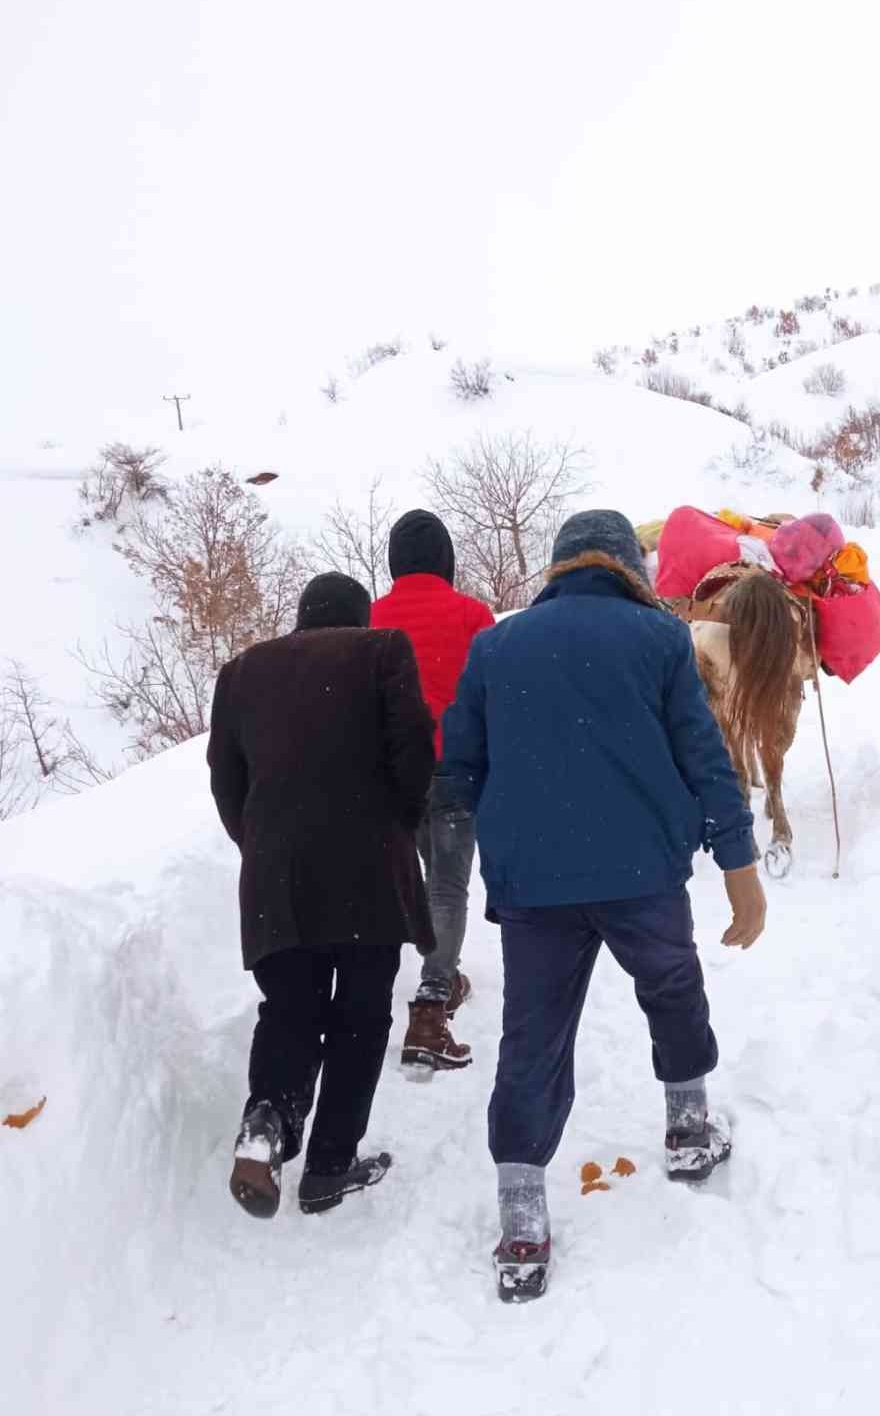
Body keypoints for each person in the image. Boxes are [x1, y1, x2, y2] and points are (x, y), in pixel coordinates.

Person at [437, 509, 769, 1302]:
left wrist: (506, 836)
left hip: (535, 888)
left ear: (557, 567)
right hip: (640, 875)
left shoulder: (494, 646)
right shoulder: (657, 640)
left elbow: (458, 771)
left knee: (532, 1038)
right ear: (630, 567)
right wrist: (736, 861)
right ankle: (688, 1127)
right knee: (671, 988)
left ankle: (521, 1220)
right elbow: (703, 754)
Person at [207, 571, 435, 1219]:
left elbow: (227, 781)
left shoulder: (243, 670)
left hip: (277, 876)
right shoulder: (382, 649)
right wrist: (397, 822)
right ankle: (330, 1166)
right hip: (367, 868)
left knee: (290, 1008)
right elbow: (413, 750)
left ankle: (267, 1121)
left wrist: (262, 843)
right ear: (359, 617)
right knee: (362, 1018)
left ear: (302, 616)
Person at [370, 509, 495, 1071]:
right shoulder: (471, 614)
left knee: (428, 883)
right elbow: (495, 693)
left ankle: (443, 975)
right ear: (446, 558)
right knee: (446, 886)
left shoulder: (370, 617)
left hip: (394, 774)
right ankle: (432, 1001)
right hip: (454, 767)